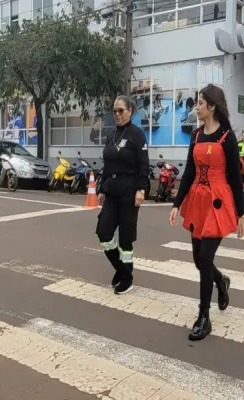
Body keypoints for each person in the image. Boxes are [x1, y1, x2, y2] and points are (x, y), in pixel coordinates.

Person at [169, 84, 244, 342]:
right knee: (198, 259)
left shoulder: (226, 137)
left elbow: (235, 178)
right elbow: (189, 172)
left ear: (211, 106)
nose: (197, 107)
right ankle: (221, 281)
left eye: (200, 103)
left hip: (218, 202)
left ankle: (204, 317)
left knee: (204, 258)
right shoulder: (196, 135)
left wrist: (241, 213)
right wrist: (176, 203)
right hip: (198, 201)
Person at [97, 95, 150, 295]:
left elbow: (144, 165)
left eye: (121, 110)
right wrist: (102, 189)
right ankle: (122, 271)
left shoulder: (137, 135)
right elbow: (107, 165)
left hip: (129, 192)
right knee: (104, 233)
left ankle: (126, 278)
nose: (117, 114)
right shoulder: (111, 135)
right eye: (115, 111)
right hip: (111, 191)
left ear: (130, 111)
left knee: (125, 239)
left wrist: (141, 189)